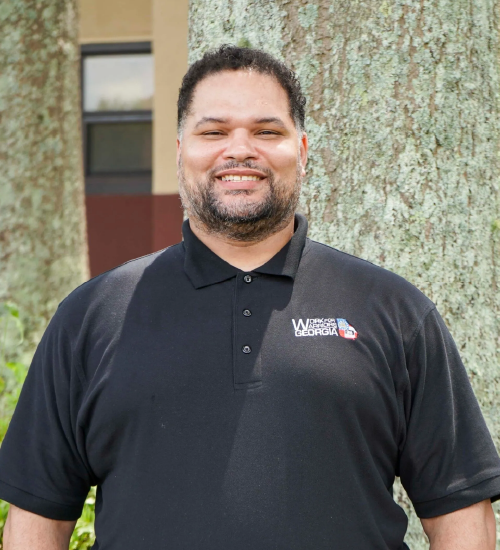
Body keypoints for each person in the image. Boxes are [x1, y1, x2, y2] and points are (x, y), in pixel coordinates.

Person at [1, 45, 499, 550]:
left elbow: (461, 512)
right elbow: (37, 518)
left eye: (267, 131)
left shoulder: (393, 312)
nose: (239, 150)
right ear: (180, 150)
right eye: (213, 132)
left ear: (302, 151)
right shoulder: (92, 316)